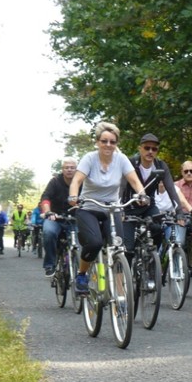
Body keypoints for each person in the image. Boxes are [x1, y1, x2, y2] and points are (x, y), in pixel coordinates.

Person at [68, 121, 147, 295]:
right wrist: (74, 196)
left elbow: (134, 180)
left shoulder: (121, 159)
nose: (108, 145)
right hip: (89, 207)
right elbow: (77, 181)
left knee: (119, 247)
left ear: (116, 144)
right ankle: (82, 275)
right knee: (95, 243)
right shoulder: (89, 158)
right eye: (104, 141)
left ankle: (120, 294)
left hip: (112, 209)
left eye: (112, 142)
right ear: (97, 142)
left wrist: (142, 194)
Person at [120, 133, 184, 265]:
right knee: (128, 248)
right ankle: (128, 277)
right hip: (129, 208)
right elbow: (121, 187)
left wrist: (180, 213)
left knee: (158, 228)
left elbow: (171, 189)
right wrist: (119, 208)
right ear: (140, 148)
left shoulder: (160, 166)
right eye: (147, 148)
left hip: (148, 206)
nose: (150, 151)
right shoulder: (131, 163)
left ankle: (152, 261)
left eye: (154, 149)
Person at [40, 157, 78, 277]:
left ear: (77, 169)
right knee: (48, 232)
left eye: (72, 168)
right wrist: (48, 212)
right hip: (55, 217)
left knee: (82, 239)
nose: (69, 170)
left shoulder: (81, 181)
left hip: (75, 218)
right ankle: (50, 264)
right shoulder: (55, 181)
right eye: (67, 167)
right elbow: (45, 198)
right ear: (62, 169)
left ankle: (80, 270)